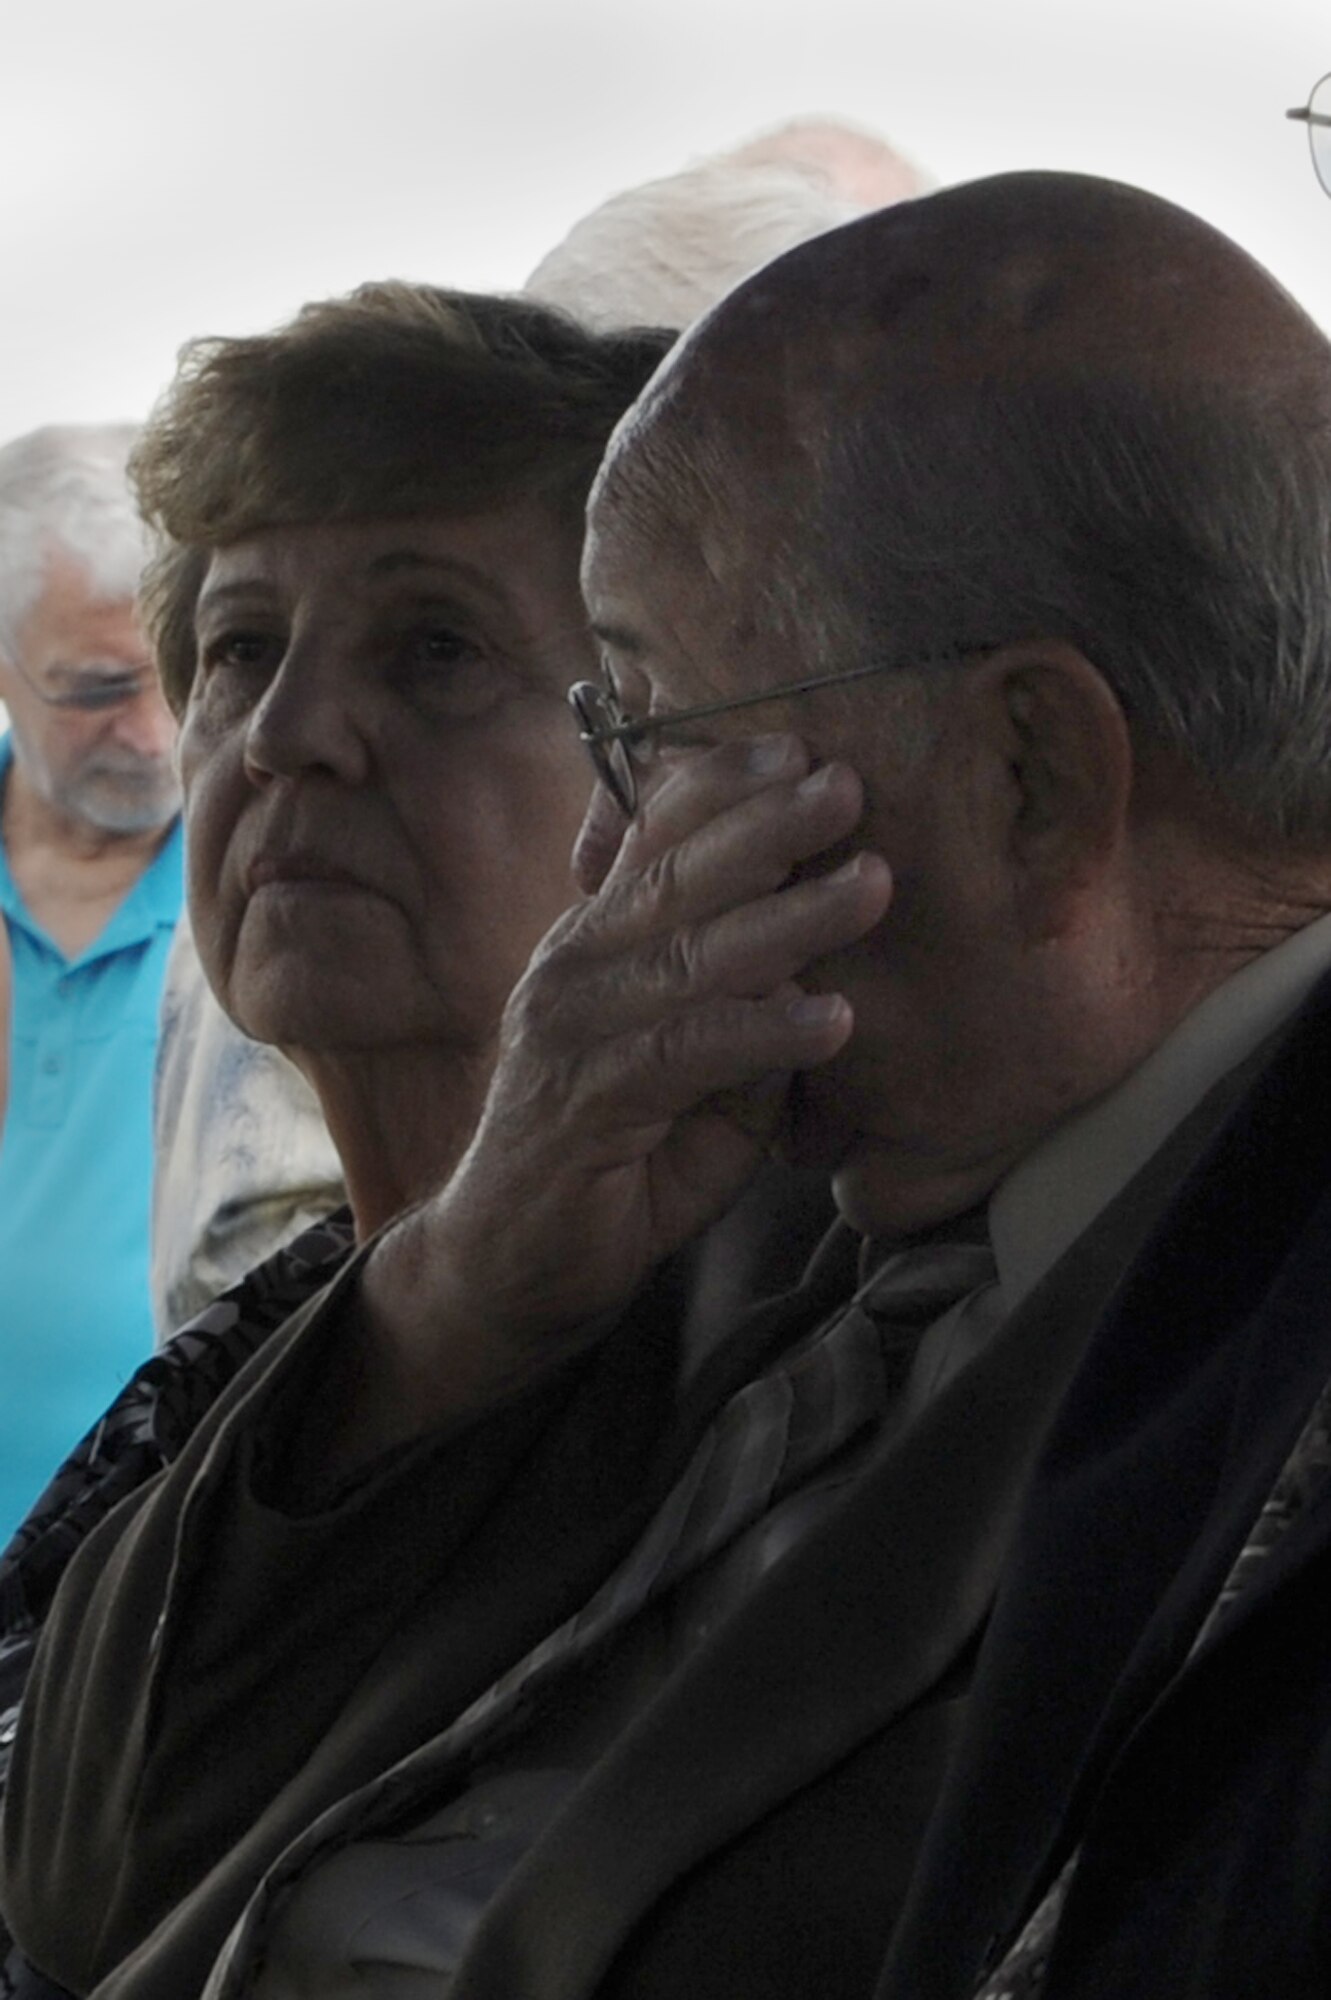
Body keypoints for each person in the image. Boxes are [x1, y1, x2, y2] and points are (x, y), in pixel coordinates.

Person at [17, 166, 1326, 2000]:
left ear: (1029, 777)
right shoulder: (703, 1193)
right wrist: (454, 1309)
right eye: (238, 651)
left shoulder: (1241, 1341)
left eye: (644, 729)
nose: (594, 867)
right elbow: (77, 1876)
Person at [150, 115, 926, 1334]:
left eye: (434, 650)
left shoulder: (822, 1338)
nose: (287, 733)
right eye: (241, 649)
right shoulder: (252, 1357)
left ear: (689, 756)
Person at [0, 424, 182, 1536]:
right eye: (100, 687)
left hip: (130, 1612)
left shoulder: (277, 887)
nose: (157, 732)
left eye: (183, 667)